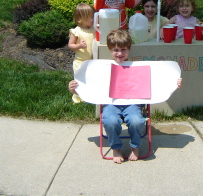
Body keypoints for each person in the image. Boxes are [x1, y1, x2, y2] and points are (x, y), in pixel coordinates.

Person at [69, 29, 182, 164]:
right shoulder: (102, 68)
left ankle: (135, 146)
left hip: (133, 104)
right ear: (110, 49)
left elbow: (157, 80)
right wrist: (75, 89)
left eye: (123, 50)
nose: (120, 53)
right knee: (110, 120)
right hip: (111, 104)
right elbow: (91, 86)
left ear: (129, 49)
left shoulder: (137, 67)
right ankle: (116, 147)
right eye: (116, 50)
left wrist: (174, 82)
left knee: (136, 120)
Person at [67, 3, 95, 103]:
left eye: (93, 16)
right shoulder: (76, 31)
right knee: (79, 80)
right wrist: (79, 46)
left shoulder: (94, 29)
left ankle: (89, 96)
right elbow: (70, 45)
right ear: (80, 19)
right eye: (90, 17)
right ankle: (78, 98)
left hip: (92, 61)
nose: (93, 19)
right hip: (80, 61)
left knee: (90, 79)